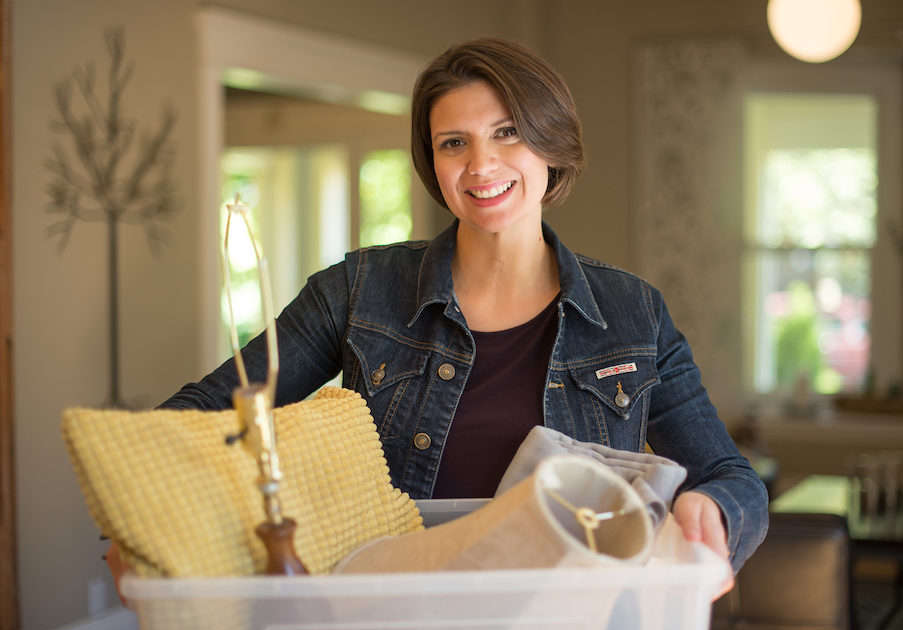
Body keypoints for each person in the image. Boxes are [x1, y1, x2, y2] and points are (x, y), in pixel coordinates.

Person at [120, 37, 766, 590]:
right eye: (454, 142)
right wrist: (143, 522)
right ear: (433, 162)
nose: (481, 165)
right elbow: (209, 412)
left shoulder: (632, 312)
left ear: (551, 143)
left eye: (507, 133)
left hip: (574, 620)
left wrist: (713, 508)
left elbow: (730, 477)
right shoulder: (358, 291)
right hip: (401, 615)